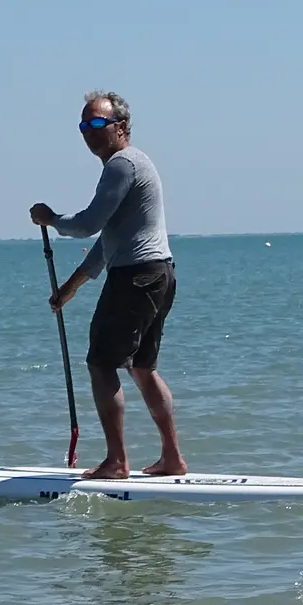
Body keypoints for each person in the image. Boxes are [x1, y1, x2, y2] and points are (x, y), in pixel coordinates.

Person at [30, 91, 188, 480]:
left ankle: (116, 462)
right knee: (143, 368)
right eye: (84, 125)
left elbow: (88, 225)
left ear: (121, 126)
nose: (89, 131)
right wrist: (71, 286)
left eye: (98, 123)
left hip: (136, 276)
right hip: (159, 274)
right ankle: (172, 459)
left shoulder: (123, 164)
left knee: (101, 365)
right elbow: (108, 243)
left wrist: (51, 218)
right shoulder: (131, 165)